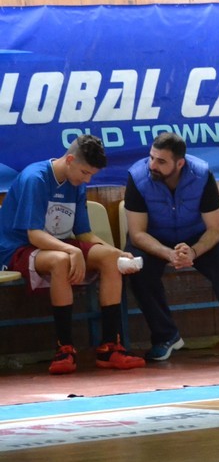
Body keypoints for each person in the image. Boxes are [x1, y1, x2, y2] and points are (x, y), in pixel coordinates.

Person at [0, 134, 145, 374]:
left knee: (110, 259)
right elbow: (34, 235)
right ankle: (64, 348)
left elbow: (84, 233)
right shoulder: (35, 178)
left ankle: (110, 347)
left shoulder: (77, 184)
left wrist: (117, 252)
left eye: (91, 175)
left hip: (60, 244)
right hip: (19, 247)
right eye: (84, 172)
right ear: (69, 160)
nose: (87, 179)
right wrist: (71, 250)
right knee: (61, 260)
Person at [124, 132, 219, 363]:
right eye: (151, 157)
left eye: (161, 161)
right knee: (137, 266)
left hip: (195, 239)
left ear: (180, 163)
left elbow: (215, 229)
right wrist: (168, 253)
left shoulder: (202, 174)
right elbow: (137, 233)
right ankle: (165, 336)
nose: (152, 165)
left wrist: (193, 252)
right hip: (154, 240)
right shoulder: (137, 176)